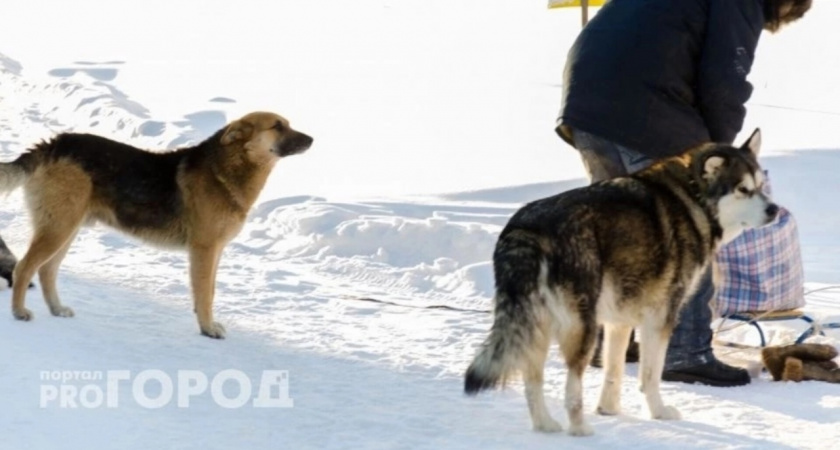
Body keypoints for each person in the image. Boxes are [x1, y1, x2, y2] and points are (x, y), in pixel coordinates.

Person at [556, 0, 812, 387]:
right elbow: (724, 80)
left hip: (588, 104)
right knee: (691, 228)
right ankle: (686, 351)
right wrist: (722, 161)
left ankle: (602, 339)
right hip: (640, 105)